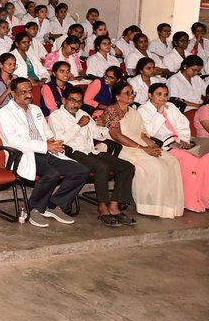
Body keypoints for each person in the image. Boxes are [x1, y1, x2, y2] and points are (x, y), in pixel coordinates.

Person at [0, 77, 90, 228]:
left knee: (81, 170)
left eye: (30, 91)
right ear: (13, 93)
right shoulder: (5, 112)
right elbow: (13, 140)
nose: (28, 94)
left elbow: (45, 130)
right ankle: (34, 208)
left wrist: (52, 141)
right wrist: (44, 146)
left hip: (45, 150)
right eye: (23, 92)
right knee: (51, 173)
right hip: (24, 153)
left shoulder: (36, 109)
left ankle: (54, 205)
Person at [48, 86, 136, 227]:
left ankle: (114, 206)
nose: (76, 104)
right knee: (102, 167)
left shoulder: (83, 113)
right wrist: (78, 125)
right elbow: (59, 140)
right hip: (72, 152)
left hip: (90, 150)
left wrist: (103, 125)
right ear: (64, 100)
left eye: (79, 101)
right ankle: (102, 207)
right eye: (72, 100)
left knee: (126, 166)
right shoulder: (56, 116)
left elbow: (97, 134)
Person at [103, 81, 183, 219]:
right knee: (157, 166)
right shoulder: (112, 110)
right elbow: (116, 135)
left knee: (171, 161)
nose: (131, 95)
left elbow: (142, 134)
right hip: (122, 147)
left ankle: (169, 206)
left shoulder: (133, 111)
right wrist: (143, 148)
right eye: (127, 93)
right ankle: (151, 206)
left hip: (139, 143)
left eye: (132, 92)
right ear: (117, 96)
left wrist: (153, 146)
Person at [139, 83, 209, 213]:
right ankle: (190, 200)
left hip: (180, 142)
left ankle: (205, 198)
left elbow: (183, 124)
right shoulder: (143, 110)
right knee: (191, 160)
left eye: (166, 95)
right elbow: (149, 132)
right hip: (164, 144)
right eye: (158, 94)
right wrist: (159, 113)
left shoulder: (171, 106)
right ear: (150, 95)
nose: (163, 98)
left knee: (206, 158)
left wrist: (183, 139)